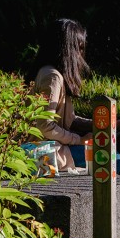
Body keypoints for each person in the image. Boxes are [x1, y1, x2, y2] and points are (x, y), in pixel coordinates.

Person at [29, 17, 93, 173]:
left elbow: (69, 120)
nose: (81, 54)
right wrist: (79, 140)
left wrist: (106, 123)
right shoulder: (52, 76)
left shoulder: (53, 74)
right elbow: (45, 125)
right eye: (79, 47)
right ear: (69, 49)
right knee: (112, 159)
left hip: (49, 148)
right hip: (39, 153)